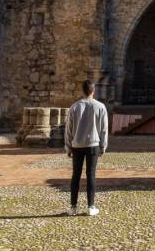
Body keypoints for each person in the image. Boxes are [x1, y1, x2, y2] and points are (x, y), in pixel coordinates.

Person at [65, 79, 108, 216]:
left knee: (75, 175)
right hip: (93, 145)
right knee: (91, 175)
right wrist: (103, 147)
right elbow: (104, 130)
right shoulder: (100, 107)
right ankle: (91, 206)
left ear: (82, 91)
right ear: (93, 91)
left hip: (77, 145)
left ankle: (73, 207)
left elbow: (69, 130)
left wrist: (68, 147)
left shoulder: (74, 107)